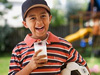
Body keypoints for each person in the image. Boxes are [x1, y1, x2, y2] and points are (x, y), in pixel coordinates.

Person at [8, 0, 91, 75]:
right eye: (32, 18)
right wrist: (29, 67)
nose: (39, 22)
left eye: (43, 16)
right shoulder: (19, 49)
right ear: (25, 24)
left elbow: (83, 66)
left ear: (50, 18)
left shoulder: (64, 45)